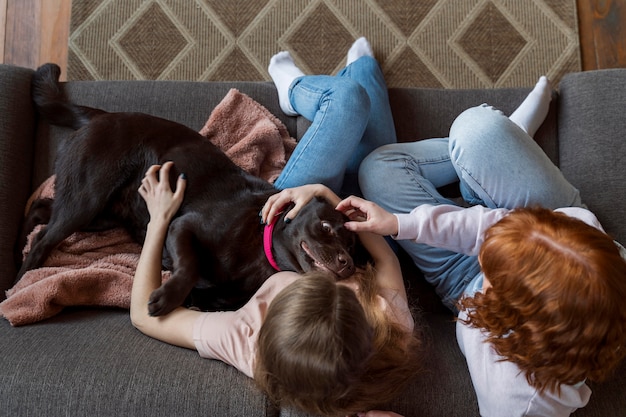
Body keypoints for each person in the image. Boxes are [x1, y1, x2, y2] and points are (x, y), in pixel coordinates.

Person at [130, 38, 424, 417]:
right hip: (335, 221)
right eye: (345, 292)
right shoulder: (391, 328)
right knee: (372, 148)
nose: (336, 278)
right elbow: (386, 261)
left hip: (284, 224)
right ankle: (352, 75)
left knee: (351, 100)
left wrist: (158, 221)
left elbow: (143, 314)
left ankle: (310, 86)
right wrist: (330, 196)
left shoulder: (245, 342)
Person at [331, 77, 626, 416]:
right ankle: (509, 144)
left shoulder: (518, 402)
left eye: (491, 267)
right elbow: (490, 227)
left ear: (507, 317)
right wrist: (400, 224)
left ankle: (503, 155)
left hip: (464, 284)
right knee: (476, 129)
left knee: (379, 169)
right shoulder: (579, 229)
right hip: (549, 230)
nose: (481, 249)